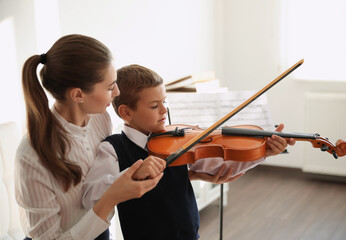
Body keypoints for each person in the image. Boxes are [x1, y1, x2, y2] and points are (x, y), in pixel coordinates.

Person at [82, 64, 295, 240]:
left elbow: (222, 162)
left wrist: (264, 151)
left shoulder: (176, 141)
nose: (165, 111)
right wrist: (131, 173)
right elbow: (91, 194)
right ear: (126, 112)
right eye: (155, 105)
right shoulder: (113, 149)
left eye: (164, 102)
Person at [15, 35, 165, 240]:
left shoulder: (100, 119)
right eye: (110, 87)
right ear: (78, 95)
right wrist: (110, 198)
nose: (117, 92)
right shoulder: (31, 156)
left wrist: (185, 174)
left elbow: (105, 174)